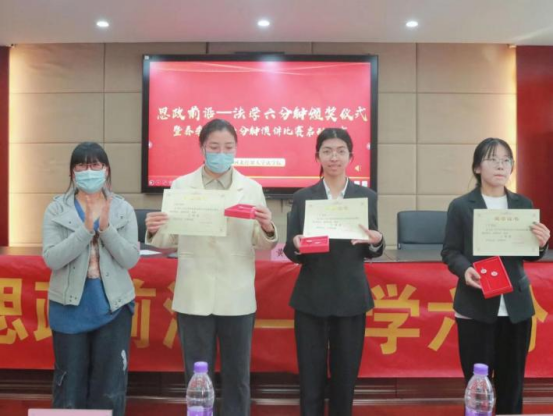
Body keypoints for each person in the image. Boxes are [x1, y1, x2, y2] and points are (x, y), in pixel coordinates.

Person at [145, 119, 278, 416]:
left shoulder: (251, 188)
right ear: (202, 148)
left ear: (236, 149)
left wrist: (268, 227)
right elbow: (168, 238)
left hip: (237, 295)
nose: (221, 153)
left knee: (237, 377)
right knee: (196, 377)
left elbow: (262, 242)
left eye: (228, 147)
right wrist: (154, 229)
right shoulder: (181, 186)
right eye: (214, 147)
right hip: (194, 295)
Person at [441, 137, 550, 414]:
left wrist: (541, 244)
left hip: (515, 307)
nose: (500, 166)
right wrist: (465, 269)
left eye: (506, 160)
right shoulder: (461, 206)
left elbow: (529, 254)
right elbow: (450, 251)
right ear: (477, 167)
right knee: (478, 386)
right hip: (475, 305)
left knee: (512, 385)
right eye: (492, 159)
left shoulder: (523, 204)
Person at [283, 128, 384, 416]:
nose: (334, 157)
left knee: (345, 379)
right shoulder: (304, 197)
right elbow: (291, 250)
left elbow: (372, 246)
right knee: (310, 379)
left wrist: (377, 241)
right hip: (311, 296)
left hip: (350, 296)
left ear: (351, 157)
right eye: (327, 151)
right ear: (317, 156)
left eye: (341, 151)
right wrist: (296, 245)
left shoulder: (366, 196)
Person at [42, 142, 139, 416]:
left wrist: (106, 229)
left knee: (109, 387)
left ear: (106, 170)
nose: (89, 170)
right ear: (72, 172)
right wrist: (85, 230)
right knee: (69, 386)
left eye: (95, 164)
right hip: (69, 308)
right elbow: (52, 259)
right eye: (81, 165)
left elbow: (130, 259)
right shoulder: (56, 210)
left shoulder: (122, 209)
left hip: (113, 307)